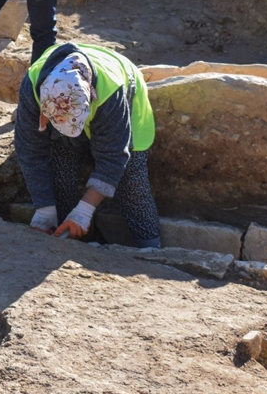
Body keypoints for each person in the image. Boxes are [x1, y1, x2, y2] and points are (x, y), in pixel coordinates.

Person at [14, 42, 162, 249]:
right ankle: (81, 245)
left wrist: (84, 210)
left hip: (123, 92)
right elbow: (30, 150)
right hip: (72, 104)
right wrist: (44, 209)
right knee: (62, 175)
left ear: (90, 97)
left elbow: (114, 157)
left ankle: (151, 249)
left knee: (131, 182)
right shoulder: (33, 88)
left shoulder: (110, 93)